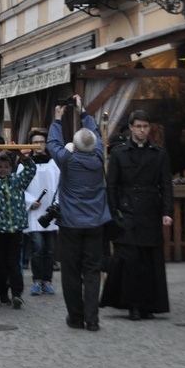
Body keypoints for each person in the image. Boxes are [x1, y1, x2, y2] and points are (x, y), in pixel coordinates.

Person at [47, 96, 112, 331]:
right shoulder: (98, 157)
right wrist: (83, 113)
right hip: (95, 223)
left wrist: (57, 118)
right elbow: (95, 133)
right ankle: (92, 319)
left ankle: (75, 317)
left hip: (71, 224)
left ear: (74, 145)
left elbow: (53, 144)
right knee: (92, 271)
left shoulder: (68, 160)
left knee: (71, 271)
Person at [101, 110, 173, 321]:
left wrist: (167, 211)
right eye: (139, 126)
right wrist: (113, 213)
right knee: (130, 259)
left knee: (150, 260)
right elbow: (111, 186)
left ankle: (148, 305)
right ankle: (132, 304)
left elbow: (166, 184)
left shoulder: (159, 153)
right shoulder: (119, 154)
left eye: (146, 126)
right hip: (127, 211)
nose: (142, 131)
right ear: (131, 128)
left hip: (150, 211)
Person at [0, 148, 36, 309]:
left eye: (6, 167)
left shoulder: (17, 181)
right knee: (0, 264)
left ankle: (17, 294)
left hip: (15, 229)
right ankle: (3, 293)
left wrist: (19, 154)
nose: (3, 170)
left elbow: (31, 169)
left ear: (11, 168)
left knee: (14, 263)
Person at [23, 127, 60, 296]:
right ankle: (37, 280)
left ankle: (48, 281)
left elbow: (60, 185)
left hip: (50, 213)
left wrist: (57, 204)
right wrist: (30, 201)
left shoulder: (54, 163)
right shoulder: (25, 164)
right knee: (37, 247)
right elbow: (19, 186)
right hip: (34, 211)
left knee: (50, 250)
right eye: (36, 142)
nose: (39, 145)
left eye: (42, 142)